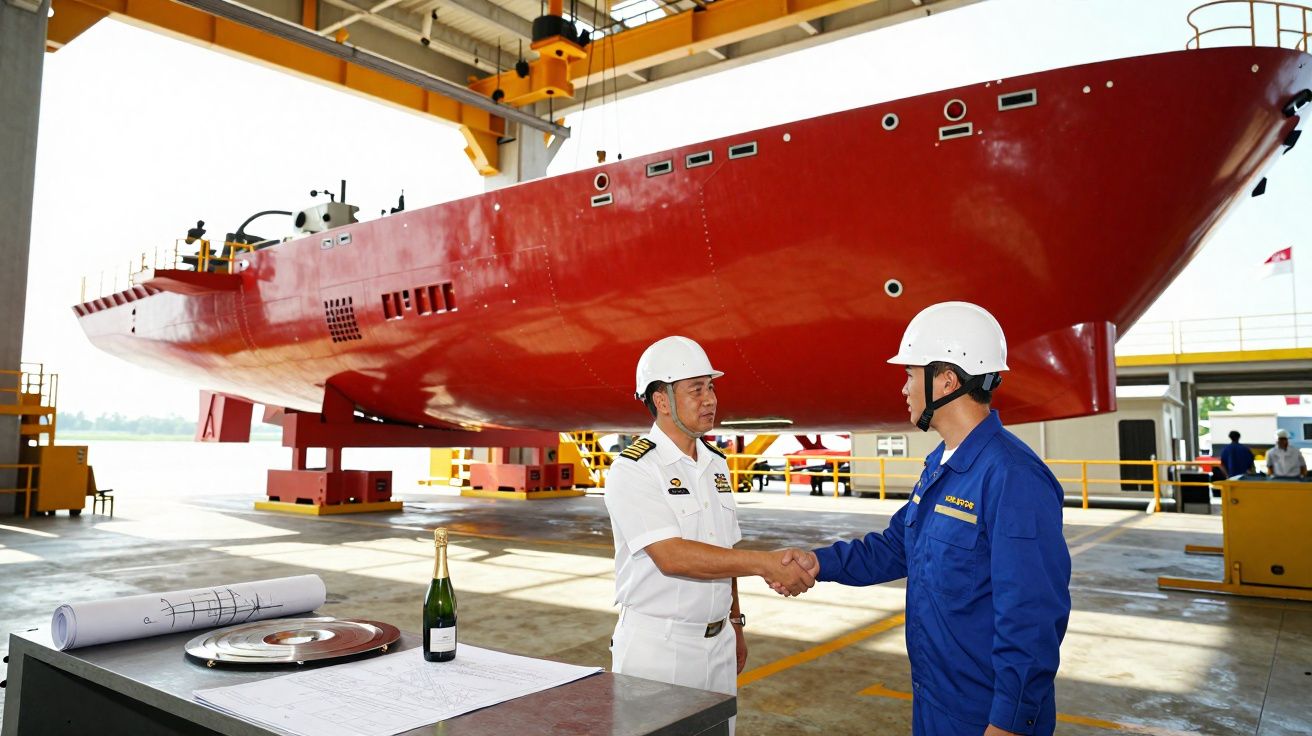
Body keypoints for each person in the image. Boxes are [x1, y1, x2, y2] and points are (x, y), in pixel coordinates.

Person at [778, 302, 1072, 736]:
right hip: (935, 699)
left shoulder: (1012, 477)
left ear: (946, 380)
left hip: (985, 716)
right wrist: (820, 563)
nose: (904, 388)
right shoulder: (941, 464)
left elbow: (1032, 614)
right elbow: (898, 546)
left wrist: (1010, 722)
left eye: (910, 374)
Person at [603, 336, 815, 734]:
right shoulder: (635, 469)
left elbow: (724, 549)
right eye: (696, 389)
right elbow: (673, 556)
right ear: (662, 400)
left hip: (717, 645)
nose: (710, 399)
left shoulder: (715, 464)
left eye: (712, 386)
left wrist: (735, 623)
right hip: (660, 647)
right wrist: (764, 563)